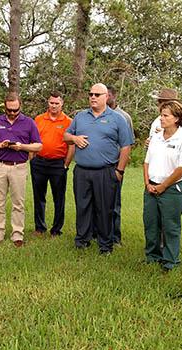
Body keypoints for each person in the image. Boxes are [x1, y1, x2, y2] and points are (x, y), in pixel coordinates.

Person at [63, 83, 134, 254]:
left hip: (105, 171)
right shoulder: (80, 116)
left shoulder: (118, 119)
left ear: (106, 97)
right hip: (82, 171)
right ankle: (82, 240)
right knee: (83, 205)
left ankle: (105, 244)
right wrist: (74, 138)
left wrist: (120, 171)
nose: (93, 97)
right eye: (90, 94)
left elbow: (126, 146)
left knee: (105, 209)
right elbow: (65, 136)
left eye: (97, 94)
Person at [0, 93, 42, 247]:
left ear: (20, 106)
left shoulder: (28, 122)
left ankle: (17, 235)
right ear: (5, 107)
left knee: (18, 203)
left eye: (15, 110)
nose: (12, 113)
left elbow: (38, 145)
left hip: (19, 166)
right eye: (9, 110)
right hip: (0, 165)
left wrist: (22, 147)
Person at [143, 100, 182, 270]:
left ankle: (170, 261)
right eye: (161, 115)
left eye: (165, 116)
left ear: (176, 118)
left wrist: (163, 186)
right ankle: (152, 256)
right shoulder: (156, 138)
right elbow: (146, 162)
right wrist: (147, 183)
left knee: (170, 226)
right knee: (151, 223)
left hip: (172, 189)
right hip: (151, 186)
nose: (161, 119)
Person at [31, 91, 73, 237]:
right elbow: (33, 140)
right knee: (38, 196)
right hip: (39, 163)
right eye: (51, 102)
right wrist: (32, 158)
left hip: (58, 164)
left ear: (62, 104)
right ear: (48, 103)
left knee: (59, 198)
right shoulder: (38, 119)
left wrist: (66, 164)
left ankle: (56, 229)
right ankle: (39, 227)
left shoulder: (68, 121)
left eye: (57, 103)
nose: (54, 105)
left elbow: (71, 145)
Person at [106, 85, 135, 245]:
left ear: (114, 97)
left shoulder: (124, 117)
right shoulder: (95, 115)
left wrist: (120, 167)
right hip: (99, 165)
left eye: (108, 95)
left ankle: (115, 237)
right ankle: (97, 233)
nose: (106, 98)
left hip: (115, 165)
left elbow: (128, 143)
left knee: (114, 202)